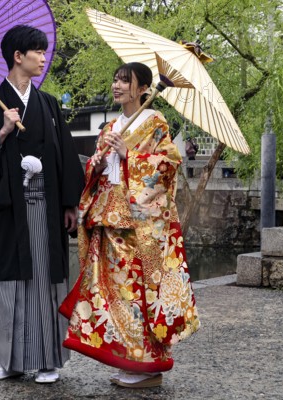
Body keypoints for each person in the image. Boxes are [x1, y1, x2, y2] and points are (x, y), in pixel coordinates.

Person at [59, 62, 200, 388]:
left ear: (142, 90)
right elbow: (95, 171)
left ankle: (147, 366)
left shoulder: (155, 123)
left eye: (125, 81)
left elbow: (167, 167)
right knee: (112, 295)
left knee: (136, 296)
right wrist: (100, 158)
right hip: (107, 218)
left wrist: (130, 157)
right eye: (115, 79)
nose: (117, 85)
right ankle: (129, 360)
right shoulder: (111, 125)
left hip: (137, 226)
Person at [0, 25, 84, 384]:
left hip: (45, 209)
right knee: (11, 281)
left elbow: (64, 156)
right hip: (9, 209)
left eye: (44, 52)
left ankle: (48, 361)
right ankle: (9, 361)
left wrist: (68, 204)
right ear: (18, 56)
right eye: (38, 52)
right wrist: (0, 131)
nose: (44, 58)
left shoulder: (46, 104)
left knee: (46, 279)